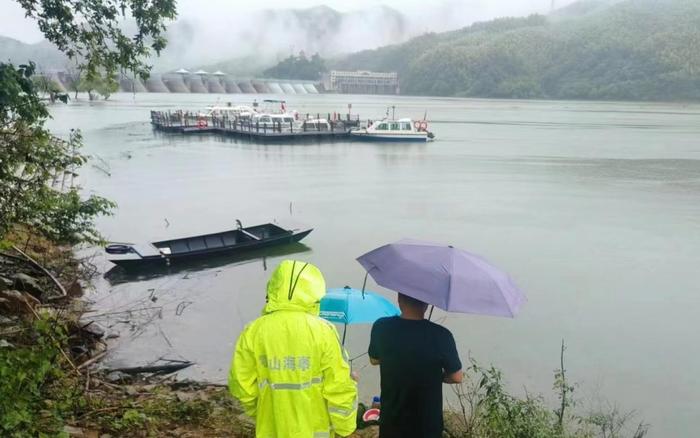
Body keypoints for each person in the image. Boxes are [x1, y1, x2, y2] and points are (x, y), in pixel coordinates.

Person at [229, 260, 358, 438]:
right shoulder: (324, 331)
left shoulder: (254, 331)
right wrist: (345, 428)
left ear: (274, 288)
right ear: (314, 292)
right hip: (315, 432)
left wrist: (260, 413)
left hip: (271, 429)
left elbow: (242, 386)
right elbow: (339, 387)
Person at [368, 293, 463, 438]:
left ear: (399, 299)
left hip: (392, 421)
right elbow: (456, 377)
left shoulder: (381, 327)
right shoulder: (441, 335)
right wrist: (434, 375)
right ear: (427, 304)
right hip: (427, 425)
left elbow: (374, 360)